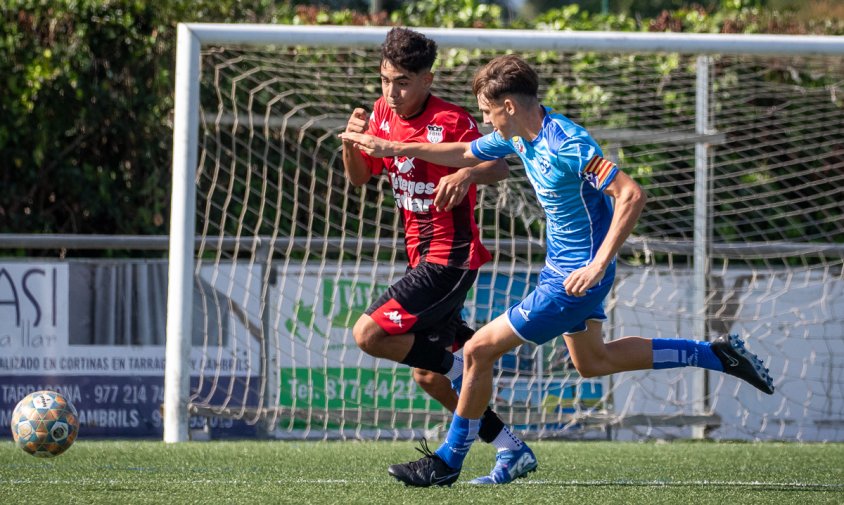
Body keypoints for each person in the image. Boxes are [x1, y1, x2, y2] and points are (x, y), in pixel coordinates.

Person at [340, 54, 775, 487]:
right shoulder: (516, 137)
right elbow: (462, 151)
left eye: (488, 112)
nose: (486, 122)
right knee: (593, 361)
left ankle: (449, 461)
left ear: (508, 106)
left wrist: (598, 264)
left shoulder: (568, 142)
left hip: (575, 279)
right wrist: (395, 148)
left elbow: (631, 195)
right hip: (561, 272)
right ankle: (714, 354)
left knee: (477, 351)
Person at [341, 28, 537, 486]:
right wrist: (351, 143)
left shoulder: (450, 119)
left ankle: (469, 359)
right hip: (419, 257)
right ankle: (510, 446)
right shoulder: (381, 113)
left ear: (428, 78)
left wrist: (466, 174)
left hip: (451, 256)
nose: (393, 91)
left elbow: (500, 164)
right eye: (386, 79)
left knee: (367, 333)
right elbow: (359, 179)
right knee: (428, 379)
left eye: (404, 81)